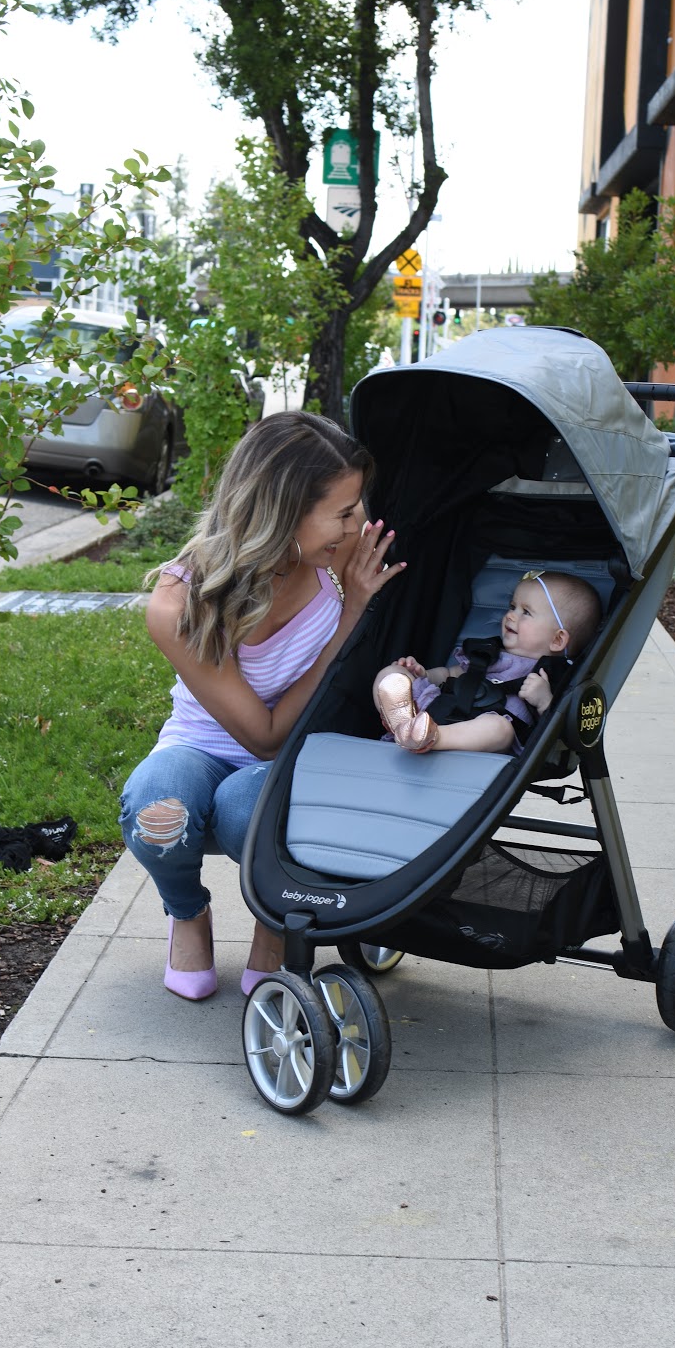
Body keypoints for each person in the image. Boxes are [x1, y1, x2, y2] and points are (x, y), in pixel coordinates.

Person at [119, 411, 404, 1002]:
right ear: (283, 511)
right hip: (208, 745)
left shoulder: (338, 558)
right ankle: (187, 913)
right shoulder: (180, 602)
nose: (358, 525)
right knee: (156, 807)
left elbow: (285, 745)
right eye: (343, 512)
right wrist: (348, 620)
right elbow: (263, 734)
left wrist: (358, 611)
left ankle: (275, 923)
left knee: (244, 808)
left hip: (303, 755)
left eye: (357, 508)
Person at [373, 570, 601, 754]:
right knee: (391, 674)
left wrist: (544, 702)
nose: (510, 615)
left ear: (557, 640)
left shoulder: (553, 676)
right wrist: (424, 674)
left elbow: (560, 732)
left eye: (526, 612)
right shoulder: (488, 653)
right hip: (435, 711)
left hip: (482, 737)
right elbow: (450, 673)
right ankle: (405, 726)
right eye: (512, 607)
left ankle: (429, 738)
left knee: (499, 728)